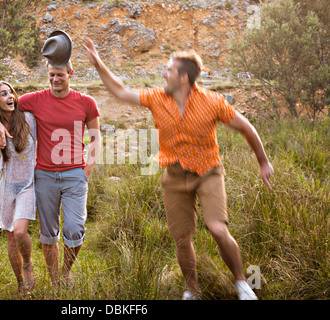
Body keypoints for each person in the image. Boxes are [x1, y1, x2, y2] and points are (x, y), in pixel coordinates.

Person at [83, 37, 273, 300]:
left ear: (183, 77)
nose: (164, 73)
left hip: (208, 172)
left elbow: (246, 127)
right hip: (173, 176)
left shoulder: (212, 102)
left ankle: (242, 283)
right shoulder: (156, 98)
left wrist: (263, 161)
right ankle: (192, 290)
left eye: (169, 70)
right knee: (182, 238)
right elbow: (120, 91)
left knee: (217, 228)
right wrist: (98, 63)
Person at [0, 31, 101, 288]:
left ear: (70, 75)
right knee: (48, 234)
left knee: (74, 229)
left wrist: (87, 170)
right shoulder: (33, 100)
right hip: (44, 176)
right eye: (51, 75)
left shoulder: (87, 103)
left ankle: (66, 270)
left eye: (60, 75)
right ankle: (55, 280)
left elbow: (95, 138)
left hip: (75, 174)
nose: (55, 79)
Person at [0, 81, 37, 295]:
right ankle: (20, 285)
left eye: (10, 93)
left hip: (27, 184)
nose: (9, 97)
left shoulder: (28, 119)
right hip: (5, 187)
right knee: (10, 237)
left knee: (20, 231)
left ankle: (27, 264)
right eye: (3, 94)